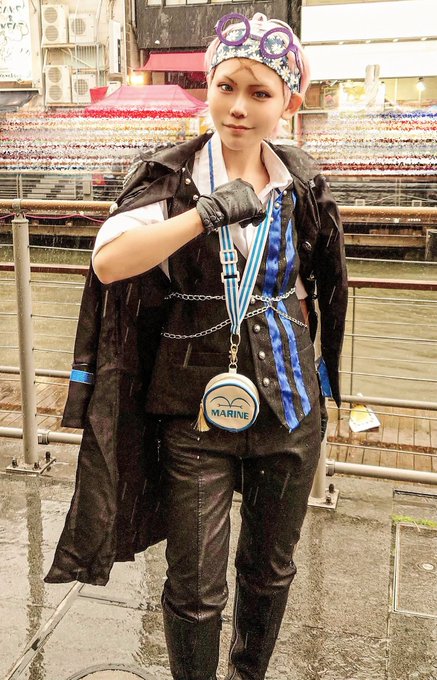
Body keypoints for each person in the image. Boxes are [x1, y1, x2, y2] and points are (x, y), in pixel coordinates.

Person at [45, 12, 348, 680]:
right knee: (195, 585)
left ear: (289, 103)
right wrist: (203, 214)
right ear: (207, 87)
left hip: (290, 407)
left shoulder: (301, 182)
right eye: (225, 86)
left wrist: (330, 385)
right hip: (191, 410)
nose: (238, 107)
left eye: (260, 93)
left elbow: (325, 283)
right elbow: (109, 263)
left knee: (270, 571)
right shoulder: (172, 175)